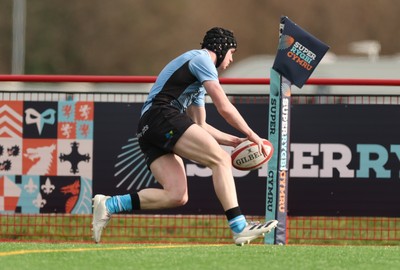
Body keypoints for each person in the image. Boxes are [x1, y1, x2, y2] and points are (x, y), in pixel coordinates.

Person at [92, 27, 278, 245]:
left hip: (148, 128)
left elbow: (201, 125)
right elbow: (224, 107)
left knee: (177, 195)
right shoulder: (202, 61)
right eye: (232, 52)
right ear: (221, 48)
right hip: (161, 116)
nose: (231, 59)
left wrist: (235, 141)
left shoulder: (197, 80)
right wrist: (252, 135)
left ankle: (111, 204)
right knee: (220, 159)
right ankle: (239, 227)